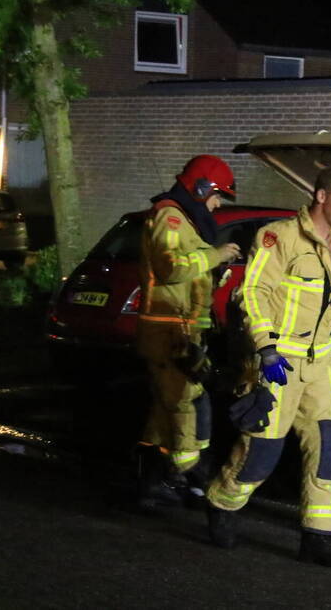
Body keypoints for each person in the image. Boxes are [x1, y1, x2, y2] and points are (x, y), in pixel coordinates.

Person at [205, 168, 331, 568]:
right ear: (321, 196)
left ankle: (317, 537)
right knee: (262, 449)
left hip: (320, 361)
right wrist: (266, 349)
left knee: (328, 449)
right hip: (279, 363)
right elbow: (253, 292)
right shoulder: (279, 237)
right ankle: (222, 504)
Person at [136, 154, 241, 508]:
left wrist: (213, 273)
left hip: (180, 331)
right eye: (217, 195)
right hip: (168, 333)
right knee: (186, 404)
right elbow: (170, 268)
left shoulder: (185, 221)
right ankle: (194, 479)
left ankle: (153, 483)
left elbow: (186, 273)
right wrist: (214, 255)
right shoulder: (172, 217)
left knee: (163, 411)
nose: (217, 203)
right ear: (200, 188)